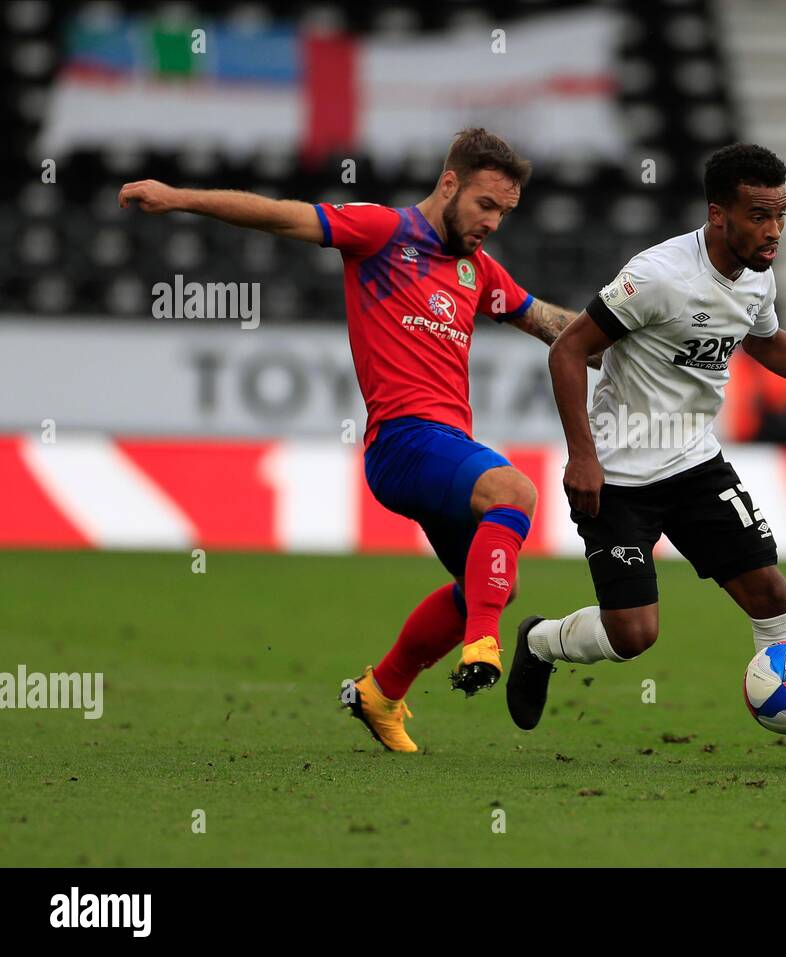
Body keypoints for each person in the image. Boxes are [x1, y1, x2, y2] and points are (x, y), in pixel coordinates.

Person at [120, 128, 584, 752]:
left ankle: (380, 691)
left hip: (442, 448)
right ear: (449, 183)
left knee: (488, 582)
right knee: (515, 491)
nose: (494, 222)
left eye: (505, 212)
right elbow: (279, 217)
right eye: (485, 205)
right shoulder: (382, 232)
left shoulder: (478, 269)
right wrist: (180, 197)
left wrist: (633, 334)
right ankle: (484, 643)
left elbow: (555, 326)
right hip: (402, 442)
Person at [507, 144, 786, 771]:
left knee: (770, 592)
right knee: (633, 635)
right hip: (618, 475)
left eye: (781, 215)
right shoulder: (659, 275)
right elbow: (569, 350)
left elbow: (763, 341)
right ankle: (541, 641)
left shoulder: (758, 273)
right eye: (759, 216)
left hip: (694, 464)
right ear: (720, 215)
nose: (773, 232)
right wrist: (582, 456)